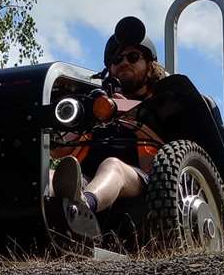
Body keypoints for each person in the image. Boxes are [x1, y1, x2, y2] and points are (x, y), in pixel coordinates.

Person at [51, 25, 169, 216]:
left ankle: (83, 208)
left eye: (133, 57)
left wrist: (128, 116)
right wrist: (85, 117)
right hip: (86, 179)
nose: (123, 62)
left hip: (144, 179)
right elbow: (59, 151)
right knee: (47, 177)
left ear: (150, 66)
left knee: (112, 165)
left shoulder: (161, 104)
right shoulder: (98, 105)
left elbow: (173, 151)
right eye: (117, 59)